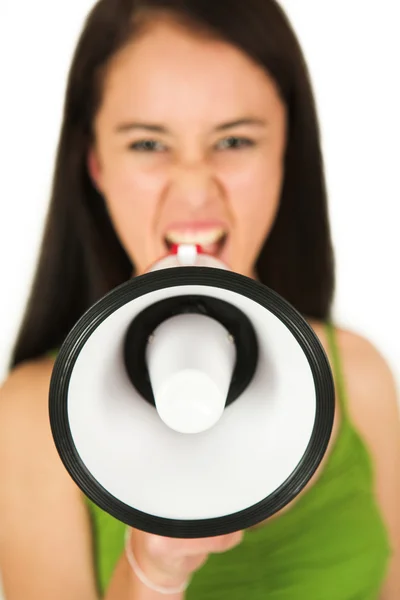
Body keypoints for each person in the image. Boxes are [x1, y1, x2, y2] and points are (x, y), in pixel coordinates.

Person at [0, 0, 399, 598]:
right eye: (148, 145)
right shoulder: (31, 420)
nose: (193, 188)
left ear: (286, 153)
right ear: (96, 165)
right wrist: (152, 573)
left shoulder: (359, 375)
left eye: (234, 140)